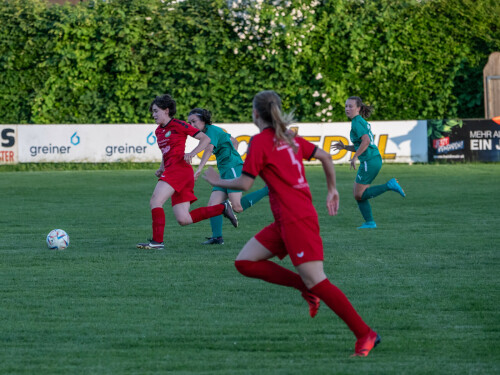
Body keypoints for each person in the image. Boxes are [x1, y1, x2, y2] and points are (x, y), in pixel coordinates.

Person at [203, 90, 380, 357]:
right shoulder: (288, 136)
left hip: (296, 219)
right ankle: (304, 287)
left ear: (254, 114)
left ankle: (365, 333)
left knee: (318, 281)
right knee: (245, 262)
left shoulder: (261, 141)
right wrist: (332, 188)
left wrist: (218, 181)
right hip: (286, 219)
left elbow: (245, 183)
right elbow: (325, 156)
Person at [136, 94, 238, 250]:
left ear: (166, 110)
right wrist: (161, 167)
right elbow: (166, 151)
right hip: (174, 171)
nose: (153, 115)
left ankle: (157, 242)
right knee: (184, 219)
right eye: (153, 112)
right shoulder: (158, 131)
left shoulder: (179, 124)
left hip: (179, 170)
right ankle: (222, 208)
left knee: (156, 201)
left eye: (156, 111)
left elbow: (205, 139)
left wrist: (192, 153)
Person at [188, 108, 269, 245]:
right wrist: (231, 154)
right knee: (212, 205)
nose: (191, 125)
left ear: (203, 120)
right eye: (189, 122)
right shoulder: (212, 131)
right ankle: (217, 237)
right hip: (226, 169)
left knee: (237, 207)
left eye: (194, 121)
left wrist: (199, 169)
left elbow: (208, 149)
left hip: (232, 168)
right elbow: (234, 141)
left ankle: (267, 190)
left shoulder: (211, 131)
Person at [332, 96, 405, 229]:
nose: (347, 109)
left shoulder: (356, 122)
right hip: (372, 159)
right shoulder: (358, 121)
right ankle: (369, 222)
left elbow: (366, 141)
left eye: (350, 106)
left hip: (370, 161)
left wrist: (355, 158)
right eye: (346, 106)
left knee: (359, 194)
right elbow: (361, 144)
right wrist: (346, 148)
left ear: (358, 108)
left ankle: (389, 185)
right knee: (358, 194)